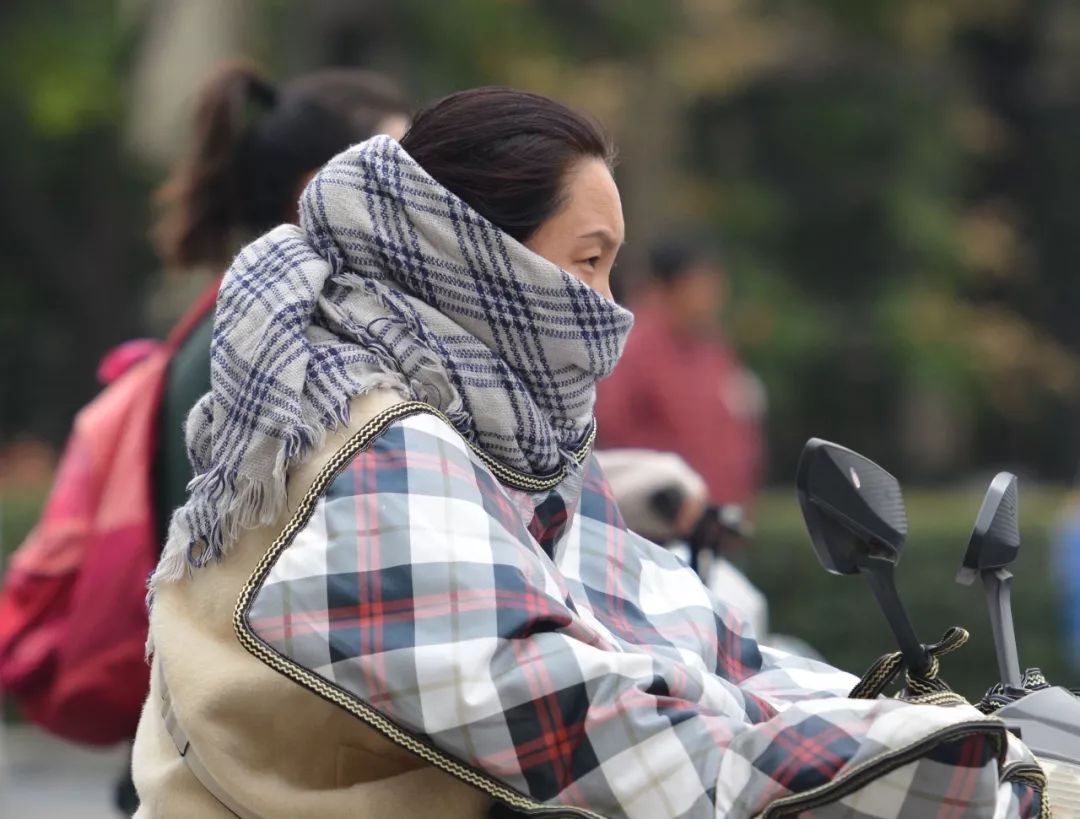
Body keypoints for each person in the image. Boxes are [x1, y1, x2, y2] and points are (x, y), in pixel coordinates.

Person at [132, 87, 1043, 818]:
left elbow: (701, 643)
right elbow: (573, 722)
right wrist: (927, 773)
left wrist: (893, 713)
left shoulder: (499, 430)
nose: (609, 309)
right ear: (479, 259)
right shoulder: (375, 445)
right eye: (589, 262)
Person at [122, 61, 409, 815]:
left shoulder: (244, 322)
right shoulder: (267, 348)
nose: (429, 203)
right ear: (321, 190)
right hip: (232, 771)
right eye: (401, 173)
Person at [595, 236, 765, 510]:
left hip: (717, 520)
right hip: (655, 524)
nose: (714, 296)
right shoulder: (632, 350)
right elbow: (612, 431)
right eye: (703, 284)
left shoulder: (716, 350)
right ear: (671, 286)